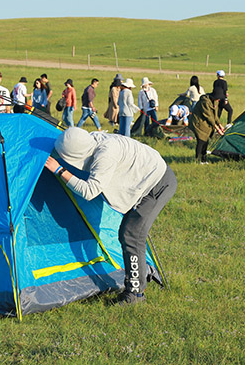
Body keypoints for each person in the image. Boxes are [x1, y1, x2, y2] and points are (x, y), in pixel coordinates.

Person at [44, 127, 176, 305]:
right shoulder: (89, 141)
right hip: (143, 180)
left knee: (131, 235)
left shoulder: (105, 154)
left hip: (156, 184)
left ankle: (135, 294)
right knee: (129, 233)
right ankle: (133, 286)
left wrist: (59, 170)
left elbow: (90, 191)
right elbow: (64, 148)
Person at [190, 93, 225, 164]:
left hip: (206, 124)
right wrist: (217, 129)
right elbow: (209, 116)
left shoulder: (215, 101)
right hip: (198, 123)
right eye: (218, 98)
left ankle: (204, 160)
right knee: (201, 141)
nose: (219, 100)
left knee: (206, 141)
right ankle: (197, 160)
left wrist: (220, 125)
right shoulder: (204, 102)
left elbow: (215, 115)